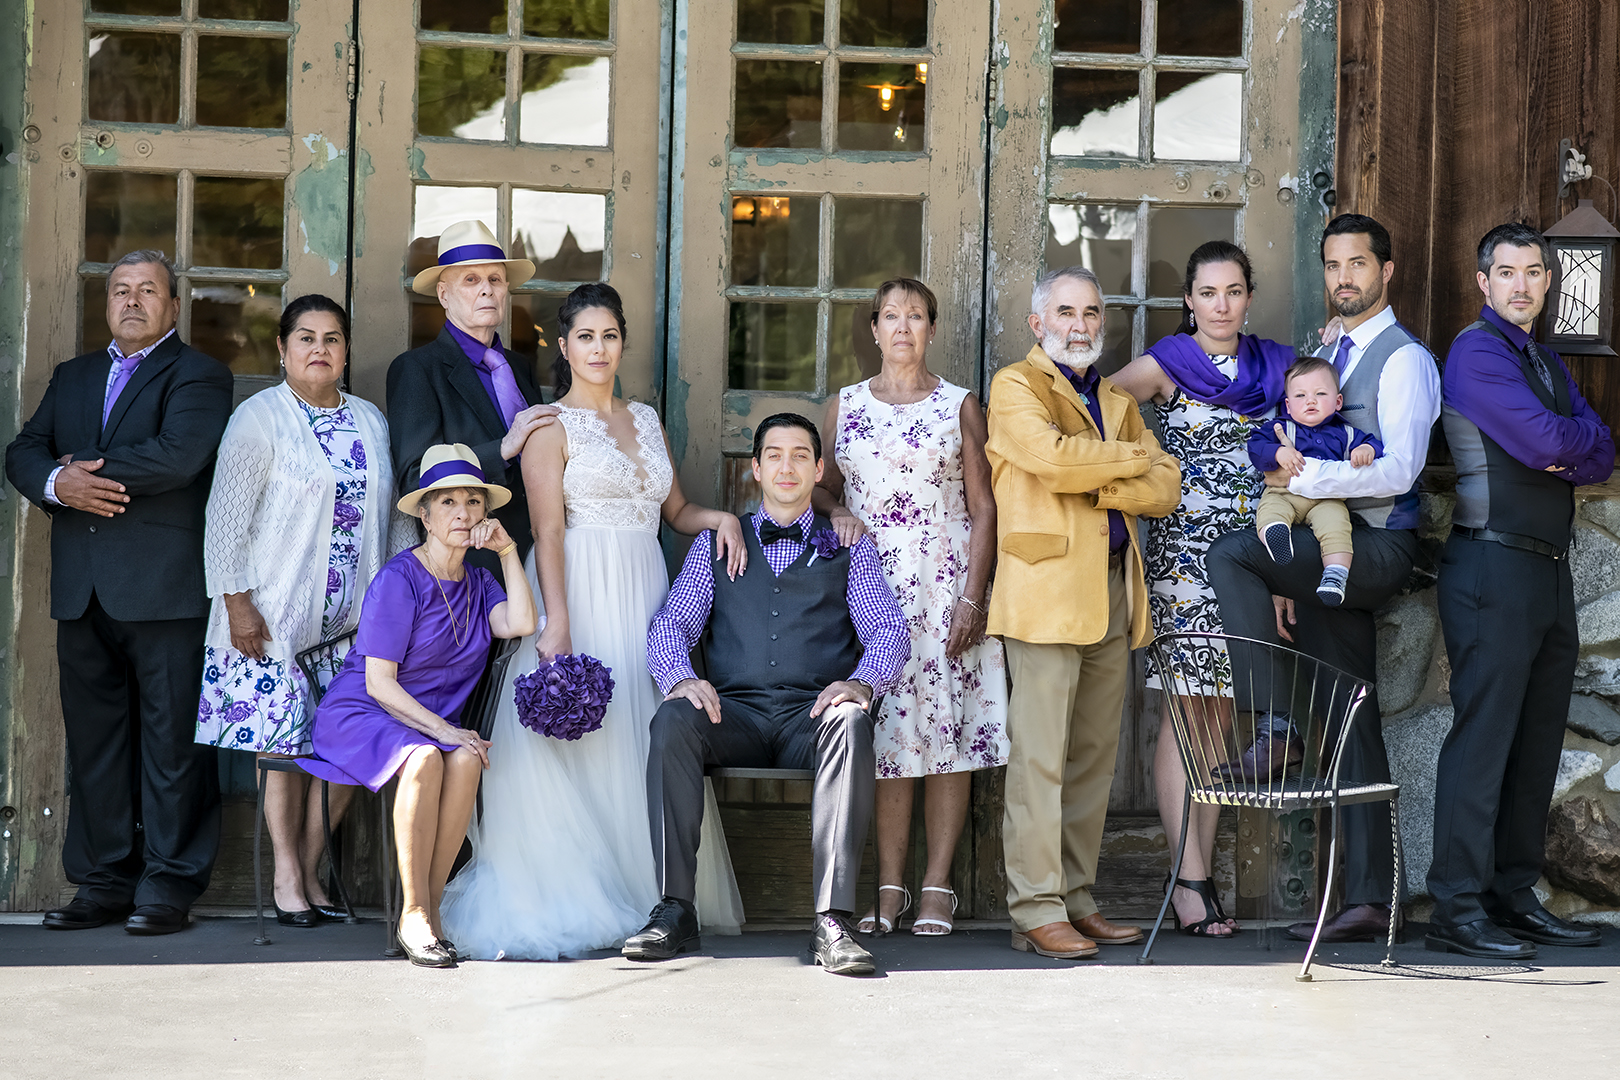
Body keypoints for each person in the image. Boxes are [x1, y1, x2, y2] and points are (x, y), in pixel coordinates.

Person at [440, 283, 746, 959]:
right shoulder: (550, 425)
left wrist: (720, 517)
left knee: (643, 738)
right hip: (580, 585)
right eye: (586, 337)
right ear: (563, 345)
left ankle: (654, 895)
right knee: (583, 742)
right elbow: (548, 531)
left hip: (645, 593)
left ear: (622, 342)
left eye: (610, 335)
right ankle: (584, 890)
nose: (599, 348)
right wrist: (557, 624)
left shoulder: (646, 419)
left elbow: (675, 514)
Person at [1206, 213, 1441, 944]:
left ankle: (1274, 728)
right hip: (1326, 557)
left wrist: (1304, 473)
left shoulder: (1404, 360)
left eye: (1358, 265)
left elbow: (1399, 470)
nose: (1344, 277)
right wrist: (1289, 577)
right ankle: (1372, 899)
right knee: (1349, 710)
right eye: (1333, 265)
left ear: (1386, 270)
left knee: (1230, 553)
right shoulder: (1326, 353)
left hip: (1379, 549)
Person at [628, 413, 910, 976]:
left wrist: (860, 683)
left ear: (819, 469)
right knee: (671, 720)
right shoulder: (717, 543)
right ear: (754, 468)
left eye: (801, 455)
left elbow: (889, 630)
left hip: (813, 716)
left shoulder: (848, 548)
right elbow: (671, 627)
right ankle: (675, 908)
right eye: (775, 455)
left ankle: (832, 921)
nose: (787, 466)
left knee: (853, 722)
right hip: (735, 715)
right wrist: (680, 679)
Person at [4, 249, 233, 935]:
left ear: (172, 305)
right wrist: (52, 482)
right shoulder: (73, 376)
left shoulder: (200, 374)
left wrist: (77, 473)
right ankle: (104, 881)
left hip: (164, 589)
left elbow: (178, 455)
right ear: (106, 303)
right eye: (120, 291)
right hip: (82, 589)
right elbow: (22, 451)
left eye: (148, 291)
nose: (132, 301)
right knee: (97, 744)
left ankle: (168, 885)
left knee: (172, 746)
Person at [194, 294, 413, 927]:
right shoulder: (258, 418)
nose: (320, 349)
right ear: (284, 350)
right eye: (306, 338)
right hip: (273, 616)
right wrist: (237, 605)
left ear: (345, 352)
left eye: (333, 339)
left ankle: (313, 866)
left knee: (351, 744)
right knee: (281, 746)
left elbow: (393, 515)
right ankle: (289, 876)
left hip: (356, 621)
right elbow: (225, 521)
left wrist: (401, 592)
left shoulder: (371, 419)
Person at [1426, 222, 1613, 958]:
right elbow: (1546, 443)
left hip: (1546, 571)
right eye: (1508, 273)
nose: (1523, 286)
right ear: (1484, 282)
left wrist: (1573, 447)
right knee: (1483, 743)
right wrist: (1567, 447)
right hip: (1491, 567)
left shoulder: (1542, 357)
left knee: (1533, 747)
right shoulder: (1475, 351)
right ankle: (1457, 911)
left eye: (1535, 272)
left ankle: (1511, 895)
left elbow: (1600, 446)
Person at [986, 266, 1181, 959]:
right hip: (1043, 594)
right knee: (1039, 759)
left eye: (1092, 312)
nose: (1081, 323)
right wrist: (1129, 463)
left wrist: (1110, 474)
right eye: (1066, 311)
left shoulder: (1114, 398)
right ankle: (1035, 909)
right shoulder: (1015, 386)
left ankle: (1076, 897)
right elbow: (1049, 460)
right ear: (1039, 324)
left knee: (1093, 761)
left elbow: (1165, 487)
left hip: (1110, 591)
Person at [1109, 241, 1296, 938]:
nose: (1221, 305)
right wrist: (1146, 469)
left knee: (1222, 713)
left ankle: (1197, 872)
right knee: (1187, 712)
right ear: (1189, 300)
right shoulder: (1167, 365)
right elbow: (1100, 407)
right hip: (1185, 560)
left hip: (1253, 557)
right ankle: (1190, 879)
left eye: (1234, 291)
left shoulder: (1275, 367)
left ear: (1250, 296)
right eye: (1208, 292)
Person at [813, 276, 1008, 937]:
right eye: (890, 316)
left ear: (930, 329)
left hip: (945, 583)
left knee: (946, 739)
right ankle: (889, 885)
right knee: (889, 737)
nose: (902, 327)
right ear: (873, 329)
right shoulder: (844, 406)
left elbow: (985, 509)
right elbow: (821, 490)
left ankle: (937, 886)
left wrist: (972, 599)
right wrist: (837, 510)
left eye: (916, 316)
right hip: (872, 591)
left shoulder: (959, 405)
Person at [302, 446, 538, 967]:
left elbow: (522, 622)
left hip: (424, 724)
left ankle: (429, 911)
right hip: (363, 714)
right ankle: (412, 913)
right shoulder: (399, 579)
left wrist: (506, 552)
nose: (462, 512)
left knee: (467, 757)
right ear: (425, 517)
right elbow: (380, 684)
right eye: (447, 502)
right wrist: (447, 732)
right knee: (428, 756)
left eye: (473, 502)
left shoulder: (479, 583)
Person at [387, 219, 559, 582]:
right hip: (469, 566)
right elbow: (415, 479)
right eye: (471, 280)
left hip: (541, 554)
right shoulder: (416, 369)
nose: (487, 290)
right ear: (444, 295)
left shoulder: (519, 366)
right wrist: (503, 448)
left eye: (494, 280)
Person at [1248, 356, 1384, 606]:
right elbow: (1255, 447)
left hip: (1327, 501)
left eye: (1320, 393)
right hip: (1285, 495)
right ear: (1288, 406)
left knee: (1338, 527)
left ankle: (1335, 575)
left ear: (1338, 401)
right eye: (1300, 396)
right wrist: (1277, 452)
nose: (1310, 400)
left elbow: (1375, 444)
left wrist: (1366, 449)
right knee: (1271, 509)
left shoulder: (1347, 433)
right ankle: (1275, 534)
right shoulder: (1280, 428)